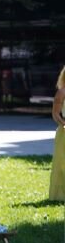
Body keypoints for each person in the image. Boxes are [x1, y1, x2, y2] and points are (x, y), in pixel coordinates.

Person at [50, 65, 65, 201]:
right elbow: (55, 113)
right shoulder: (62, 92)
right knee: (62, 163)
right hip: (64, 132)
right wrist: (63, 123)